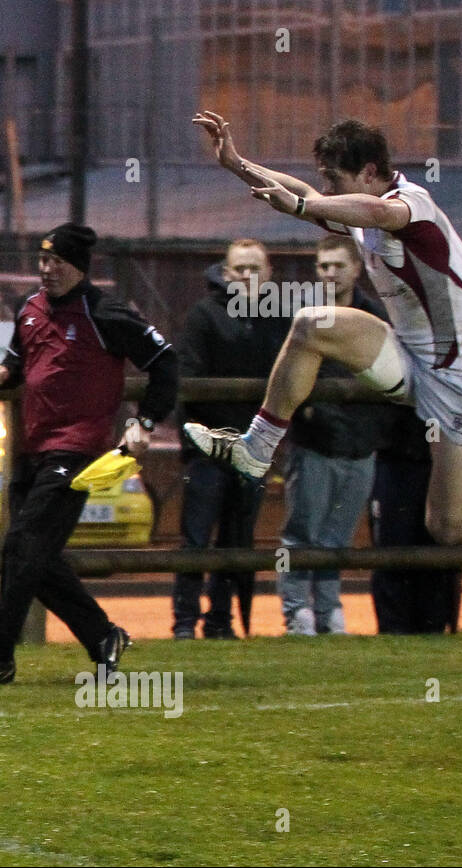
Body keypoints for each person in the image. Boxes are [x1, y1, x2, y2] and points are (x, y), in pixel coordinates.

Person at [185, 113, 462, 548]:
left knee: (447, 527)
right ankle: (258, 446)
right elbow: (305, 193)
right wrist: (236, 163)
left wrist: (305, 207)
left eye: (333, 179)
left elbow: (372, 210)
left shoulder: (410, 202)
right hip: (413, 358)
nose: (325, 190)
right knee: (311, 323)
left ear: (368, 173)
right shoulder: (358, 208)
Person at [0, 224, 179, 684]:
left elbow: (165, 362)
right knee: (33, 554)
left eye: (57, 262)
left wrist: (145, 422)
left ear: (79, 267)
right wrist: (2, 372)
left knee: (23, 545)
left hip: (77, 450)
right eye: (43, 260)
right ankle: (102, 636)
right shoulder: (28, 309)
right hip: (32, 448)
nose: (46, 269)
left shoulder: (107, 313)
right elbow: (20, 360)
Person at [173, 239, 287, 640]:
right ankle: (185, 624)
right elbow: (187, 380)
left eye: (255, 268)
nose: (247, 276)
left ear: (269, 273)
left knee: (238, 539)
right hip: (209, 451)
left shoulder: (278, 319)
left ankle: (221, 621)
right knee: (196, 538)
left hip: (252, 453)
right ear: (225, 273)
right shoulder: (203, 316)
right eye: (240, 268)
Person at [277, 236, 390, 635]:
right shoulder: (303, 315)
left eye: (338, 265)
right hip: (315, 443)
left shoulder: (375, 315)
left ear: (356, 268)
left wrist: (372, 429)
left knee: (336, 538)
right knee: (300, 534)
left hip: (360, 446)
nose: (329, 273)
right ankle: (296, 612)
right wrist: (311, 412)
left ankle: (328, 610)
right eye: (323, 265)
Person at [369, 404, 462, 634]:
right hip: (398, 456)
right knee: (393, 545)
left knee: (440, 544)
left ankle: (435, 625)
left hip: (445, 457)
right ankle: (395, 627)